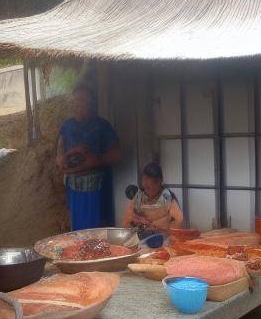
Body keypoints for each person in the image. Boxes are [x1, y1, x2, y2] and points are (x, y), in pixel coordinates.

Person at [56, 84, 122, 230]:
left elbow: (117, 154)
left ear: (92, 104)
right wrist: (69, 155)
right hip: (74, 190)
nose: (77, 105)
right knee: (78, 232)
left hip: (98, 191)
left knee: (99, 231)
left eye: (82, 101)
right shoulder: (66, 127)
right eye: (74, 101)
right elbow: (59, 156)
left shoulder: (102, 126)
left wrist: (96, 160)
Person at [122, 162, 183, 233]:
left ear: (160, 182)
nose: (148, 188)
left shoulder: (166, 197)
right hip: (140, 236)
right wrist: (136, 219)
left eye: (152, 184)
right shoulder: (138, 197)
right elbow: (126, 221)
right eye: (145, 185)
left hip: (163, 238)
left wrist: (159, 228)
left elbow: (179, 220)